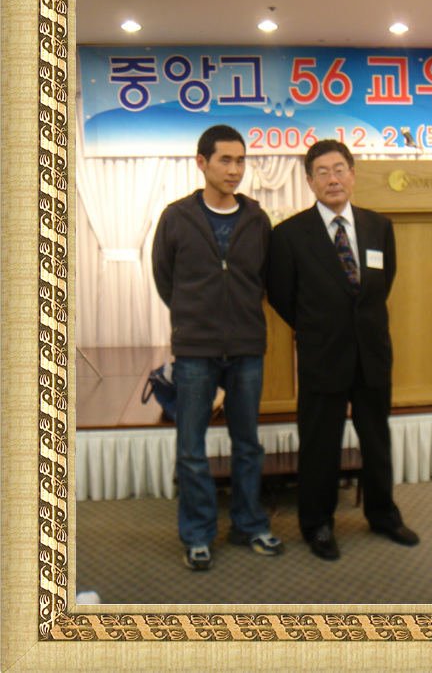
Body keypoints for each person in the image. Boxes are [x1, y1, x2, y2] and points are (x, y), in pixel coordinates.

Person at [266, 139, 419, 560]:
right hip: (322, 353)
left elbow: (381, 283)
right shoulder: (289, 235)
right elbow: (281, 295)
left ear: (352, 174)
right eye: (322, 172)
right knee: (320, 445)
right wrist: (317, 326)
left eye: (339, 169)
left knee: (377, 440)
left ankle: (384, 515)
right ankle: (317, 524)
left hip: (372, 352)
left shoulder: (378, 226)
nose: (332, 179)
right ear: (309, 181)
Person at [152, 124, 284, 570]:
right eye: (225, 160)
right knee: (191, 447)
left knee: (248, 445)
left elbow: (264, 278)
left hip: (247, 346)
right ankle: (197, 534)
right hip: (195, 350)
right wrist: (193, 318)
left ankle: (249, 523)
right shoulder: (176, 217)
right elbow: (165, 279)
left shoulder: (257, 219)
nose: (235, 169)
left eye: (241, 160)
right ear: (202, 162)